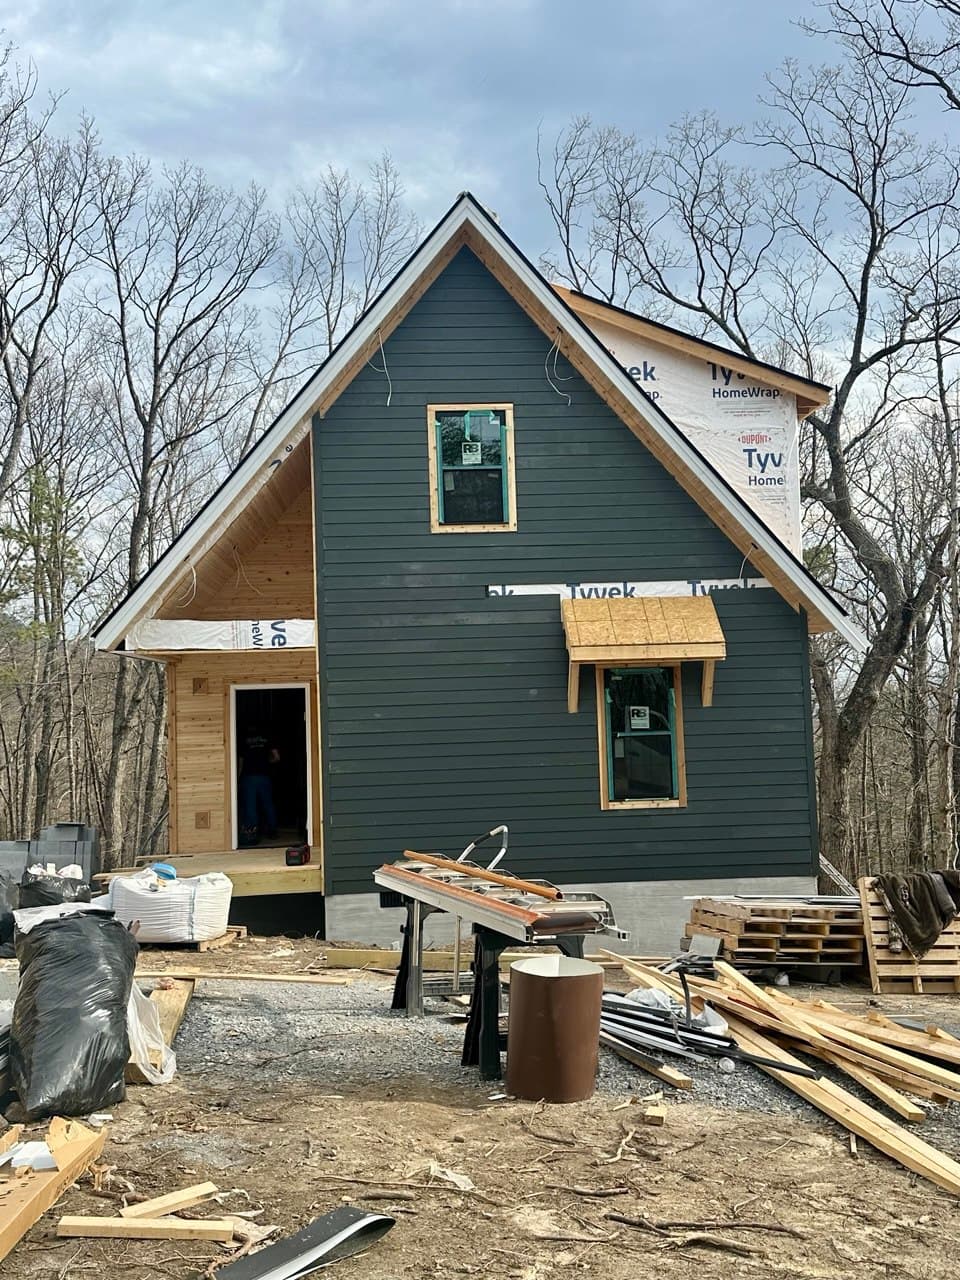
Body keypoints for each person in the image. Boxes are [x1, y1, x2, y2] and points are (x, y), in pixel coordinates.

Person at [238, 724, 279, 844]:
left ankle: (252, 833)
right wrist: (267, 762)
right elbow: (276, 757)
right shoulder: (268, 737)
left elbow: (240, 761)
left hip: (249, 776)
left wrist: (238, 778)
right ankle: (272, 830)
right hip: (264, 776)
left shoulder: (243, 739)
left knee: (250, 805)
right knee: (268, 803)